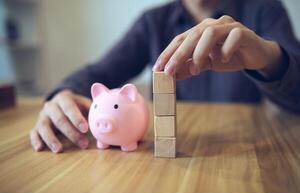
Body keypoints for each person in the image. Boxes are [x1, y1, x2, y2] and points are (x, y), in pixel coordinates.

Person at [30, 0, 300, 153]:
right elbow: (98, 73)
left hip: (248, 151)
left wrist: (270, 58)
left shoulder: (265, 9)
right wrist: (62, 94)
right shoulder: (152, 21)